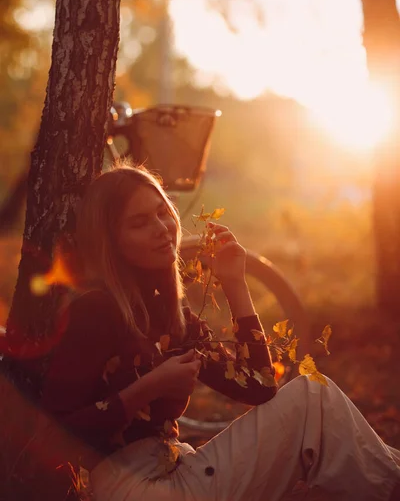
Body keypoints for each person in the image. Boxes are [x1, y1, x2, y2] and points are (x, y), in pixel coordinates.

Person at [38, 163, 400, 501]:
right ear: (111, 241)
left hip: (178, 469)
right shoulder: (96, 311)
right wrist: (149, 387)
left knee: (329, 422)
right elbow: (55, 433)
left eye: (162, 212)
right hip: (134, 486)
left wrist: (234, 284)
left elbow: (258, 385)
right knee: (313, 399)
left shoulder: (172, 316)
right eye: (139, 222)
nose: (162, 228)